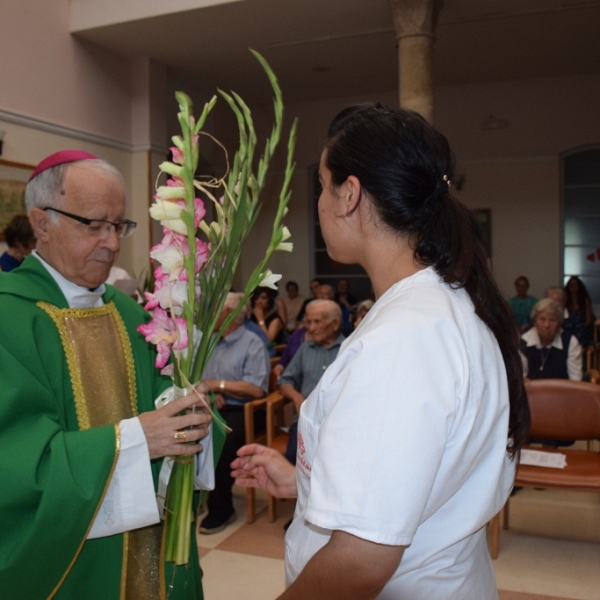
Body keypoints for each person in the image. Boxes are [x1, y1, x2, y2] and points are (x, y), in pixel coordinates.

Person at [232, 104, 529, 599]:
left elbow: (361, 561)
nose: (321, 203)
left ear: (349, 195)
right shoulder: (440, 304)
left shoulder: (402, 340)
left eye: (323, 187)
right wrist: (308, 487)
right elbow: (413, 477)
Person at [0, 150, 214, 600]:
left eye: (119, 226)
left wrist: (190, 417)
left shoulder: (131, 313)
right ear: (41, 223)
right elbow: (16, 467)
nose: (113, 243)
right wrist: (138, 441)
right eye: (94, 224)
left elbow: (165, 415)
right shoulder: (8, 317)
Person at [199, 292, 270, 533]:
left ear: (228, 313)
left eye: (214, 309)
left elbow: (256, 388)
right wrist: (210, 393)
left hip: (243, 411)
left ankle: (221, 508)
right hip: (211, 406)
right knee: (179, 435)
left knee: (221, 442)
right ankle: (190, 500)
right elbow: (198, 378)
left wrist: (218, 386)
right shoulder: (209, 341)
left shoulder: (252, 343)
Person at [278, 299, 344, 464]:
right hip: (306, 420)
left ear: (335, 324)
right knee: (295, 458)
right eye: (308, 322)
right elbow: (285, 380)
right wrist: (295, 396)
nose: (310, 328)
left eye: (317, 322)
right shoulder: (305, 349)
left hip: (339, 422)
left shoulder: (349, 349)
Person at [521, 298, 582, 380]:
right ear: (534, 321)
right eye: (542, 319)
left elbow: (576, 380)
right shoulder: (523, 342)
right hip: (532, 392)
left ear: (559, 323)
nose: (546, 325)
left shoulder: (570, 341)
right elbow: (520, 379)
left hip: (563, 391)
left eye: (552, 320)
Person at [564, 276, 595, 347]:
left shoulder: (584, 300)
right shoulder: (565, 299)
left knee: (580, 330)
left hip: (581, 326)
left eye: (574, 284)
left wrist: (582, 326)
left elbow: (588, 319)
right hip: (568, 326)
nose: (572, 287)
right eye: (570, 285)